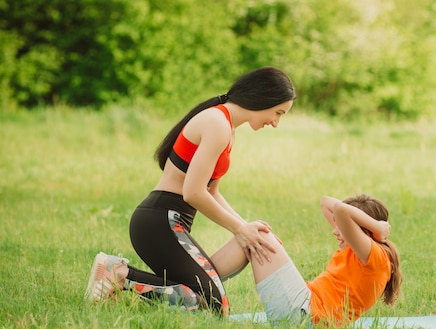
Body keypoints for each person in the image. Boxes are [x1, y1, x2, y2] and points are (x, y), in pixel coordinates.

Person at [84, 66, 296, 315]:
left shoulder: (227, 129)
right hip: (160, 222)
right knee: (213, 305)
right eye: (278, 112)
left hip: (168, 222)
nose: (276, 122)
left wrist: (246, 227)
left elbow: (212, 192)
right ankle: (119, 274)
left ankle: (125, 289)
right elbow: (193, 193)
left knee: (209, 296)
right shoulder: (217, 123)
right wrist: (239, 228)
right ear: (264, 97)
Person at [242, 194, 403, 327]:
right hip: (304, 310)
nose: (335, 231)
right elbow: (325, 202)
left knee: (259, 234)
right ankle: (216, 279)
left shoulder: (376, 258)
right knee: (248, 233)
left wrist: (378, 227)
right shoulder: (358, 250)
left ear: (366, 233)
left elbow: (340, 210)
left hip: (305, 316)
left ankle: (216, 280)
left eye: (342, 226)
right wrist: (374, 226)